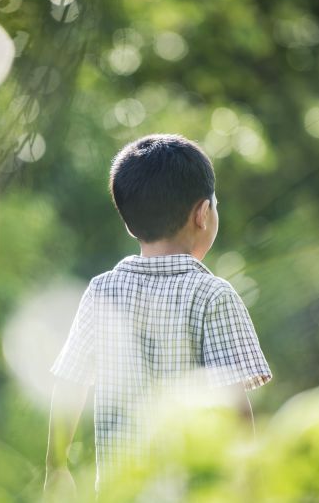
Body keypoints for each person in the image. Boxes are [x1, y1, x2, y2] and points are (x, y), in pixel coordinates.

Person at [44, 133, 272, 500]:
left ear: (129, 223)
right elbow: (236, 409)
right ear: (203, 214)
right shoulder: (213, 296)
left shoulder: (102, 291)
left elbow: (69, 385)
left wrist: (56, 468)